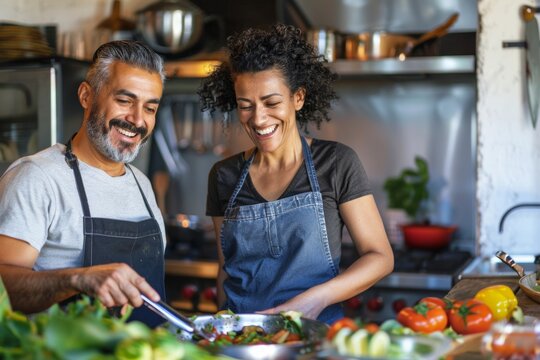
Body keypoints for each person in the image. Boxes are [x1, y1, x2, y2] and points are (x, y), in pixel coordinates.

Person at [200, 24, 394, 324]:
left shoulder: (336, 162)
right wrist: (222, 329)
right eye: (245, 106)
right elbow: (227, 268)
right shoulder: (223, 176)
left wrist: (318, 299)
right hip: (245, 338)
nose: (259, 118)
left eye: (272, 102)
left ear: (298, 98)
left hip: (314, 335)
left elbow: (380, 257)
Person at [0, 40, 167, 327]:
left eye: (150, 108)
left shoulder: (141, 184)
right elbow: (3, 285)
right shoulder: (38, 177)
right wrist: (78, 278)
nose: (137, 120)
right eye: (125, 101)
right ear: (86, 96)